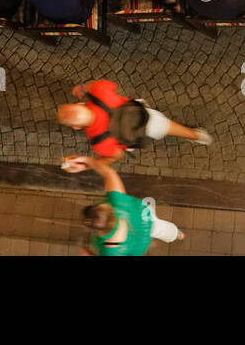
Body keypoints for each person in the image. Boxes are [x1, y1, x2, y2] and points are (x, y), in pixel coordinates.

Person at [57, 79, 211, 163]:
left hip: (134, 134)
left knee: (163, 129)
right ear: (80, 104)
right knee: (168, 126)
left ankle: (197, 136)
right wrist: (82, 87)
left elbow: (116, 155)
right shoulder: (99, 91)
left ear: (76, 127)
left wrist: (89, 164)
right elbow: (106, 85)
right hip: (141, 113)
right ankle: (198, 136)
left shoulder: (98, 142)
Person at [70, 154, 184, 256]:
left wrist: (86, 253)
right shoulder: (117, 202)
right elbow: (109, 173)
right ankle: (178, 234)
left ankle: (170, 236)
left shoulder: (109, 252)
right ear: (108, 210)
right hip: (146, 219)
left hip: (140, 244)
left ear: (99, 232)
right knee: (160, 227)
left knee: (157, 230)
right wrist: (86, 160)